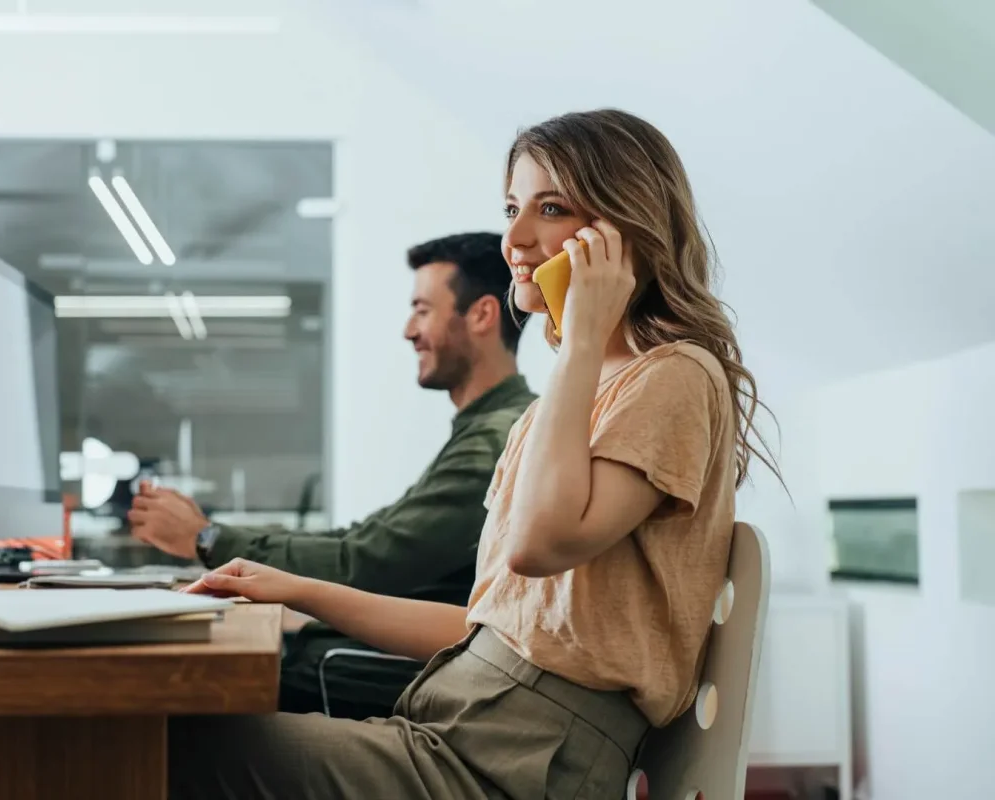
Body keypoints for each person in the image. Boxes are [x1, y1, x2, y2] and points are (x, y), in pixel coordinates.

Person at [166, 108, 781, 800]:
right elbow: (488, 626)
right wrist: (298, 590)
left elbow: (540, 545)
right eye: (512, 208)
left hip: (515, 764)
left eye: (550, 208)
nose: (514, 238)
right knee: (166, 738)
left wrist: (581, 340)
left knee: (174, 748)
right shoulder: (565, 405)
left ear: (624, 229)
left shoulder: (673, 376)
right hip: (467, 729)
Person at [129, 232, 537, 720]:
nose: (409, 329)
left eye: (423, 309)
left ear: (482, 315)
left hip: (375, 673)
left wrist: (208, 539)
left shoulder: (491, 442)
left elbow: (363, 560)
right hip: (374, 659)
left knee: (170, 704)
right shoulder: (486, 430)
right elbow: (366, 541)